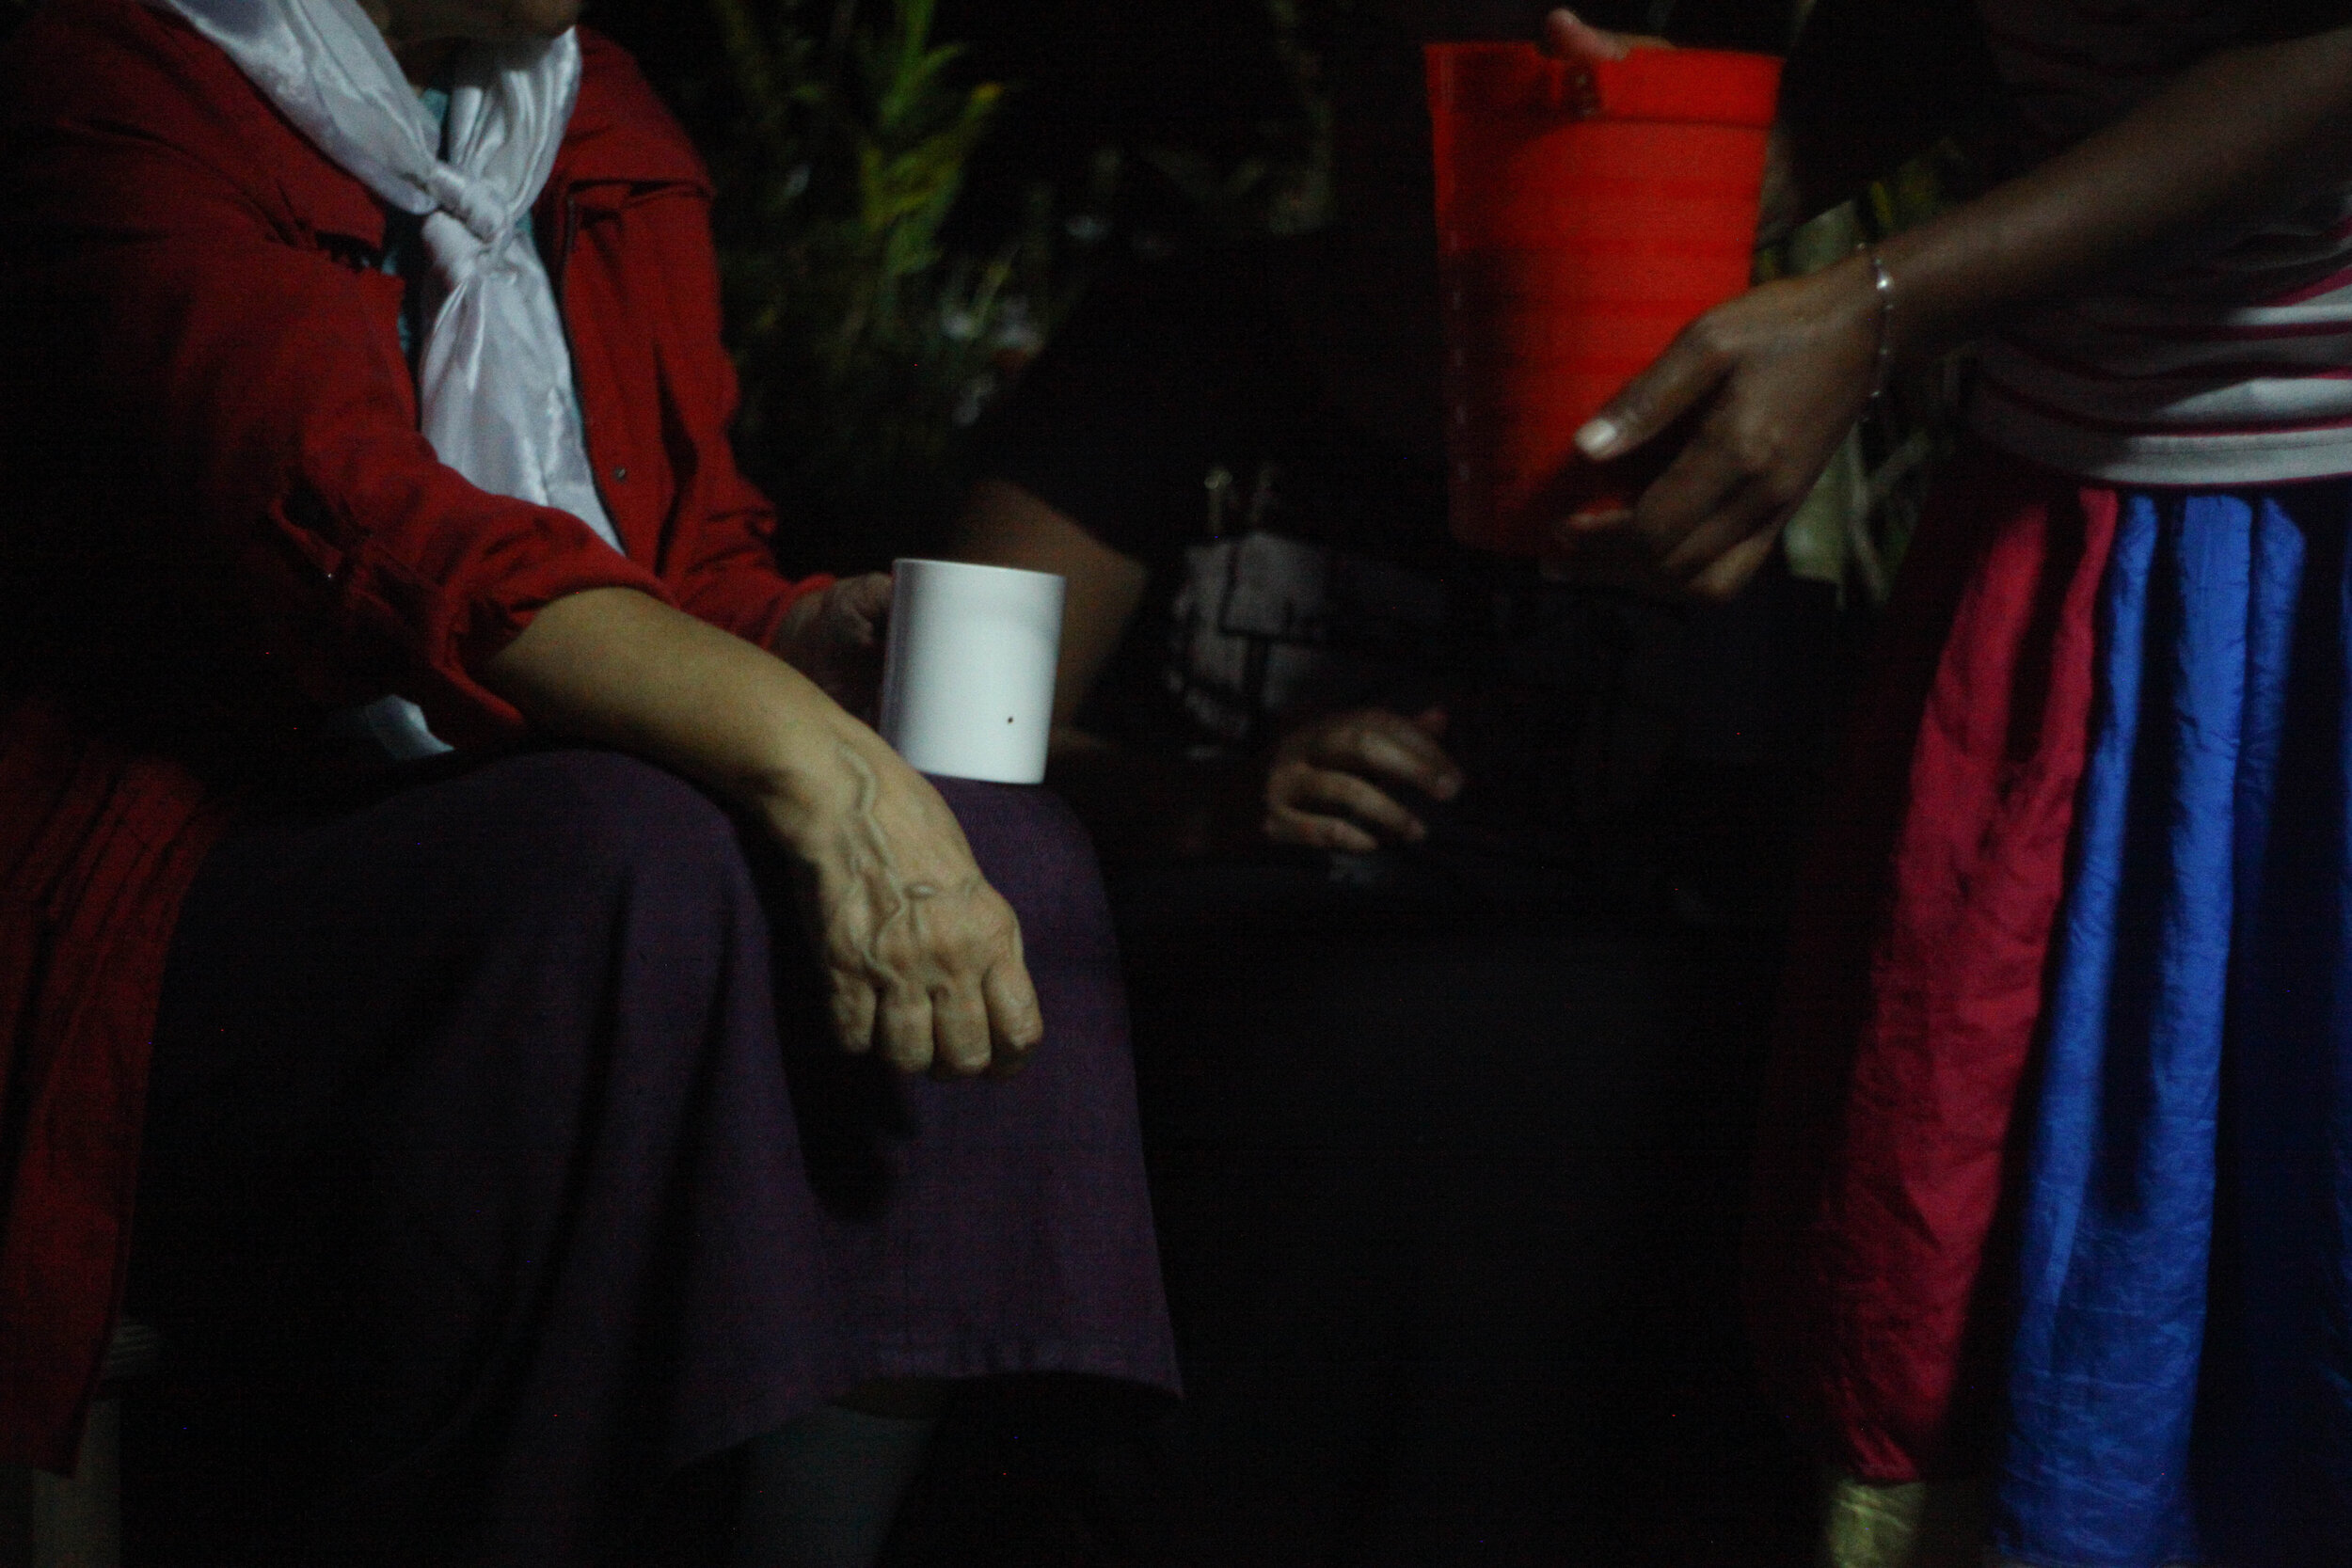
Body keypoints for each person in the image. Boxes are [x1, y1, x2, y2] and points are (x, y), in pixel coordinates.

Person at [0, 0, 1176, 1561]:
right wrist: (811, 764)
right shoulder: (117, 77)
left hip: (511, 821)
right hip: (183, 874)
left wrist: (800, 638)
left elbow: (679, 560)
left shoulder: (590, 116)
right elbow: (335, 519)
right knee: (625, 860)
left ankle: (822, 1535)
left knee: (1006, 843)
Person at [955, 5, 1827, 1560]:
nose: (1434, 146)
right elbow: (951, 733)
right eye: (1404, 77)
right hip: (1235, 959)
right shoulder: (1191, 342)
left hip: (1572, 1012)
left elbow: (1764, 796)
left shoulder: (1705, 378)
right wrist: (1207, 798)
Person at [1554, 0, 2352, 1562]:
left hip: (2321, 527)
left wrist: (1882, 297)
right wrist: (1753, 158)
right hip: (2073, 506)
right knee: (2007, 1277)